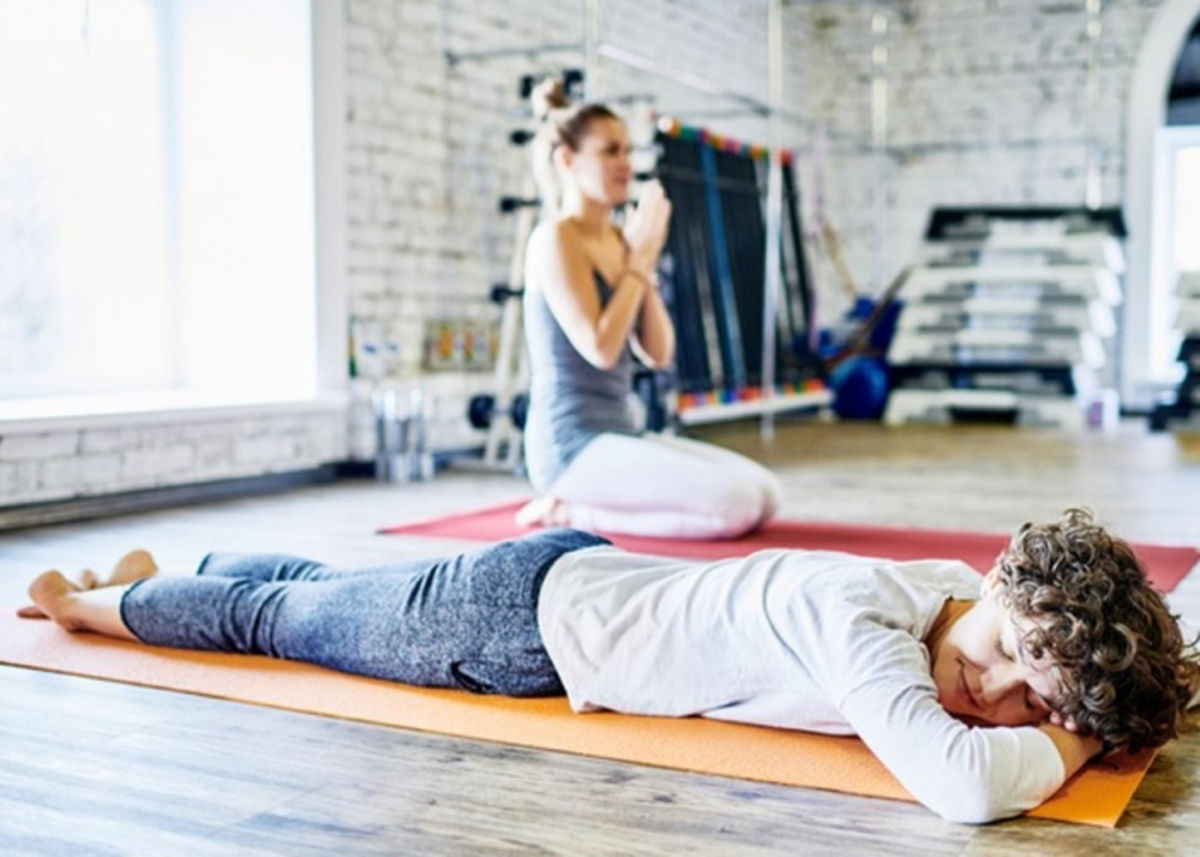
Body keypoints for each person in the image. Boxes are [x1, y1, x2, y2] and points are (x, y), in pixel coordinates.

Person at [19, 509, 1198, 824]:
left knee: (318, 602)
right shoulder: (862, 626)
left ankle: (196, 563)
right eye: (998, 661)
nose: (985, 699)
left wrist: (1086, 689)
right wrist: (1078, 733)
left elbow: (1077, 650)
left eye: (1023, 699)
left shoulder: (950, 584)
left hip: (570, 580)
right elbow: (963, 783)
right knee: (285, 625)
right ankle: (91, 601)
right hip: (513, 626)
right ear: (988, 586)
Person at [516, 80, 782, 538]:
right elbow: (600, 348)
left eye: (627, 151)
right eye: (610, 152)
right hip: (571, 447)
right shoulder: (555, 239)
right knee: (734, 508)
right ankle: (568, 512)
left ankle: (577, 504)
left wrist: (643, 259)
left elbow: (657, 354)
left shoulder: (621, 240)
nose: (625, 164)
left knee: (765, 493)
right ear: (567, 160)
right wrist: (637, 262)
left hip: (621, 433)